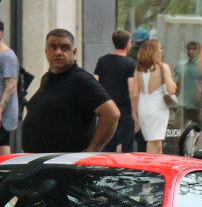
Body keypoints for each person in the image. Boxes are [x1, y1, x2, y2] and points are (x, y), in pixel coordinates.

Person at [22, 29, 119, 154]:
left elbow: (111, 114)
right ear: (46, 52)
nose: (58, 52)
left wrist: (93, 150)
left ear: (74, 52)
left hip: (65, 164)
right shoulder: (48, 78)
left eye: (64, 48)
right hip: (41, 162)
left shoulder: (81, 80)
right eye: (53, 47)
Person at [93, 29, 137, 153]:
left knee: (108, 145)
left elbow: (95, 82)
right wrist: (135, 112)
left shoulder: (102, 61)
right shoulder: (131, 64)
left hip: (107, 108)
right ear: (128, 44)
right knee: (127, 147)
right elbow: (132, 89)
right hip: (125, 109)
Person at [132, 38, 177, 154]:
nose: (161, 51)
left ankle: (157, 166)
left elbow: (134, 94)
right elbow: (171, 89)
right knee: (154, 142)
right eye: (159, 49)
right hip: (158, 107)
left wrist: (134, 113)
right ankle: (150, 168)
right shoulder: (163, 67)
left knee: (155, 141)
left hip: (143, 106)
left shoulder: (138, 70)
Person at [0, 20, 19, 154]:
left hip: (4, 115)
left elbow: (11, 85)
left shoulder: (7, 56)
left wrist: (0, 110)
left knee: (3, 143)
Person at [177, 40, 202, 127]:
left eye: (193, 49)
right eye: (189, 49)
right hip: (182, 104)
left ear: (198, 51)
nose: (190, 51)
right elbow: (178, 83)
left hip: (196, 105)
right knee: (178, 130)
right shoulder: (182, 66)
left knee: (197, 130)